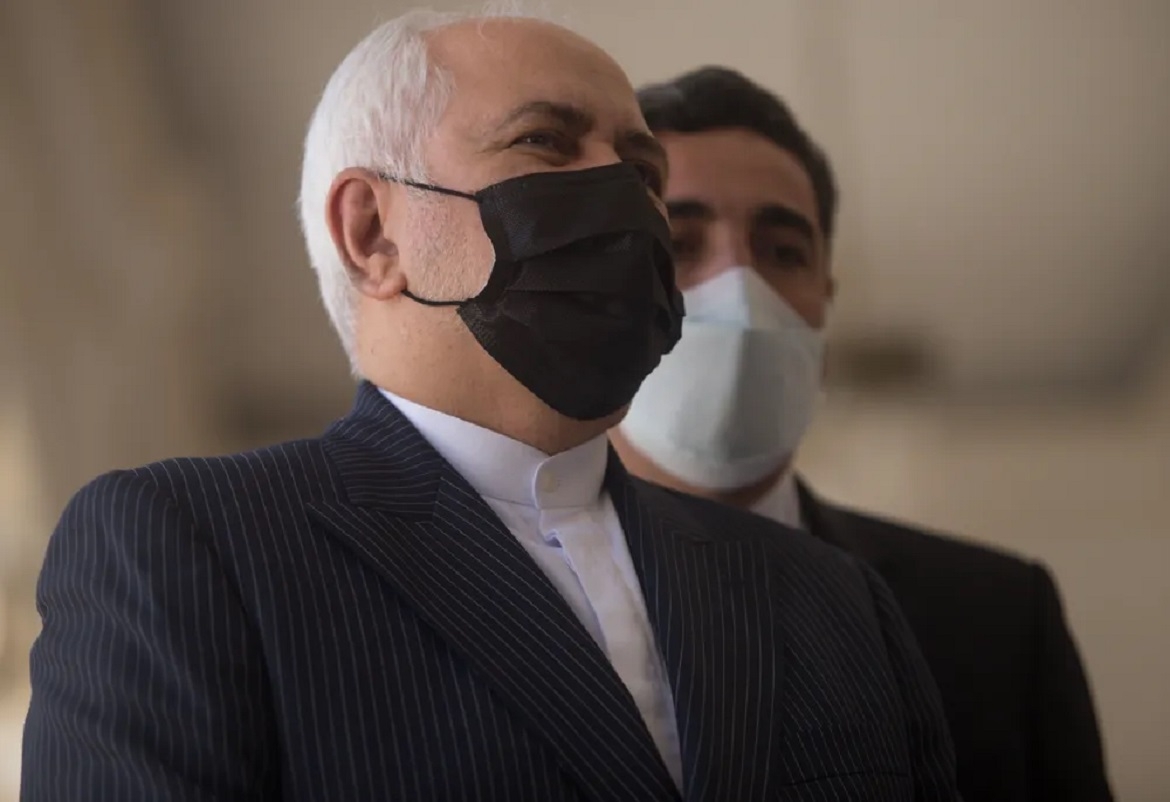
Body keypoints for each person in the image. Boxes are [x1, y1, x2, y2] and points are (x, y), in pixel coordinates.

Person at [20, 13, 960, 802]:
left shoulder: (828, 596)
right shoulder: (193, 548)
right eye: (546, 140)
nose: (628, 202)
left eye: (642, 171)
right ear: (372, 233)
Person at [613, 65, 1115, 802]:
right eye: (681, 244)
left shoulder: (997, 619)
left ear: (825, 299)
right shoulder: (500, 597)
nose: (740, 290)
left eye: (783, 252)